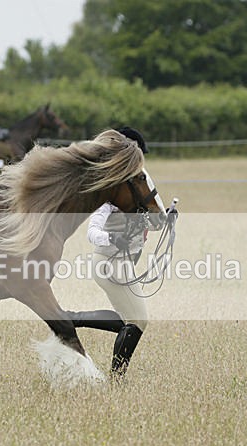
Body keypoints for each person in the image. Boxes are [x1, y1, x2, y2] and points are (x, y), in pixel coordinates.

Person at [67, 126, 166, 377]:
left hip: (123, 263)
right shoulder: (111, 193)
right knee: (137, 321)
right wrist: (113, 237)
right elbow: (92, 232)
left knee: (129, 320)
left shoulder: (135, 186)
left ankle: (72, 318)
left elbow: (154, 220)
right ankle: (116, 379)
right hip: (108, 262)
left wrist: (166, 221)